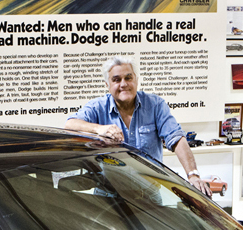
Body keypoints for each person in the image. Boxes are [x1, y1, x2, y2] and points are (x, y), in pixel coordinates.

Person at [65, 56, 212, 197]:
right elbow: (70, 125)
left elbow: (176, 138)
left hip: (148, 196)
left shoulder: (155, 105)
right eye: (116, 80)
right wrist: (99, 129)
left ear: (136, 80)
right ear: (107, 85)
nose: (123, 84)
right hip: (109, 197)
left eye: (128, 78)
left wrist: (193, 174)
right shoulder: (98, 107)